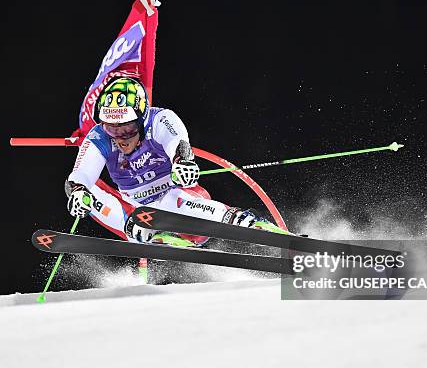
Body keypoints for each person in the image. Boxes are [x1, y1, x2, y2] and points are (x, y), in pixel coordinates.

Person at [65, 75, 283, 246]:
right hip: (137, 216)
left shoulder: (159, 119)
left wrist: (182, 161)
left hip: (184, 208)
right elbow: (81, 174)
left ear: (141, 119)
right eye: (112, 128)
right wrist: (79, 191)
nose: (120, 137)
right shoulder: (99, 137)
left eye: (127, 128)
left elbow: (177, 141)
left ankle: (239, 220)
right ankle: (152, 234)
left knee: (171, 199)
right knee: (78, 189)